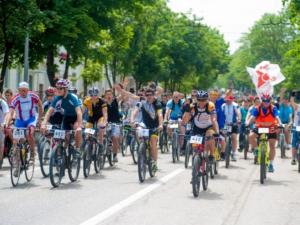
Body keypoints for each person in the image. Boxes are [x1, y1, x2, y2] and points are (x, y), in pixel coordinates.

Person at [41, 79, 82, 158]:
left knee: (77, 129)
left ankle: (77, 149)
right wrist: (44, 123)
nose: (58, 90)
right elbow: (49, 112)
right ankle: (63, 153)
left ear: (66, 89)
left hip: (76, 117)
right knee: (64, 135)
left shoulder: (72, 97)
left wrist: (79, 125)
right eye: (57, 88)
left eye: (60, 88)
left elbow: (79, 112)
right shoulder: (57, 98)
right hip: (67, 117)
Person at [4, 82, 43, 161]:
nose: (23, 93)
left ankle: (32, 152)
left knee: (30, 133)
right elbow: (10, 112)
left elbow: (40, 106)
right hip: (20, 120)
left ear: (28, 90)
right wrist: (6, 122)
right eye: (21, 90)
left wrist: (39, 119)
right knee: (16, 139)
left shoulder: (33, 96)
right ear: (18, 90)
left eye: (25, 90)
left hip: (31, 119)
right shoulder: (16, 98)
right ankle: (16, 159)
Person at [247, 93, 281, 172]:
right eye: (264, 101)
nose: (266, 102)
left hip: (271, 127)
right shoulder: (257, 108)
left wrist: (280, 123)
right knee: (250, 136)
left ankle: (271, 164)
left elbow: (277, 117)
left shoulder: (273, 108)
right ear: (262, 101)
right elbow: (252, 117)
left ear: (270, 101)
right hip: (260, 127)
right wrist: (248, 123)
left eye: (268, 101)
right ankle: (256, 149)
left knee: (272, 146)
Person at [131, 88, 163, 172]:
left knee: (153, 144)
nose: (149, 97)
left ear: (153, 95)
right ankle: (141, 146)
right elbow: (135, 111)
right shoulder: (141, 102)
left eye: (150, 95)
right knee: (138, 130)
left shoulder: (157, 104)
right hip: (144, 125)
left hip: (154, 126)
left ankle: (154, 163)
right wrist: (132, 120)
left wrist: (160, 125)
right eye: (147, 95)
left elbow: (160, 115)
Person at [182, 90, 219, 163]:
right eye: (199, 100)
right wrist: (187, 110)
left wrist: (217, 131)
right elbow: (185, 121)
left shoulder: (210, 105)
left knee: (210, 135)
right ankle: (197, 164)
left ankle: (211, 155)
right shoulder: (193, 106)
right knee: (196, 148)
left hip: (209, 127)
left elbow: (214, 119)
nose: (201, 102)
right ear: (196, 99)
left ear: (207, 99)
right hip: (197, 127)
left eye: (203, 100)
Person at [104, 89, 122, 163]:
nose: (109, 96)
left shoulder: (115, 101)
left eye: (110, 94)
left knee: (114, 138)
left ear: (112, 95)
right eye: (107, 94)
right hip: (106, 123)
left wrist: (121, 87)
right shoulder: (103, 103)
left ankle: (114, 155)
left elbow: (123, 95)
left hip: (116, 123)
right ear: (105, 95)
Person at [221, 95, 241, 161]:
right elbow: (220, 114)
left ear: (232, 100)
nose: (228, 101)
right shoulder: (223, 105)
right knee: (223, 138)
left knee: (234, 137)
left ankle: (234, 153)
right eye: (227, 100)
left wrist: (239, 119)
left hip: (233, 124)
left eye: (229, 100)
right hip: (225, 125)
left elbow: (238, 113)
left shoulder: (235, 105)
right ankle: (222, 152)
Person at [290, 91, 300, 165]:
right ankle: (293, 158)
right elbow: (292, 102)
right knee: (294, 143)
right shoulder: (297, 106)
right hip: (297, 127)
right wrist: (293, 94)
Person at [0, 93, 9, 168]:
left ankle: (0, 160)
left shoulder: (3, 103)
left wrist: (4, 123)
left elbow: (7, 113)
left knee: (1, 143)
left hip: (1, 125)